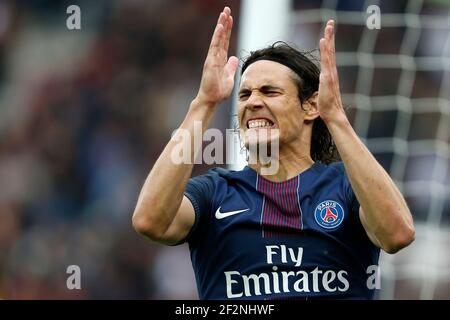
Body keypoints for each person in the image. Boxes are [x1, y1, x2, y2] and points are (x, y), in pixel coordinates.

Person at [132, 7, 415, 299]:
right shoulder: (216, 192)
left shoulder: (345, 186)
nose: (252, 101)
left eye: (269, 92)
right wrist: (204, 103)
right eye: (244, 94)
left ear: (311, 106)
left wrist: (336, 118)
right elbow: (150, 222)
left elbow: (398, 235)